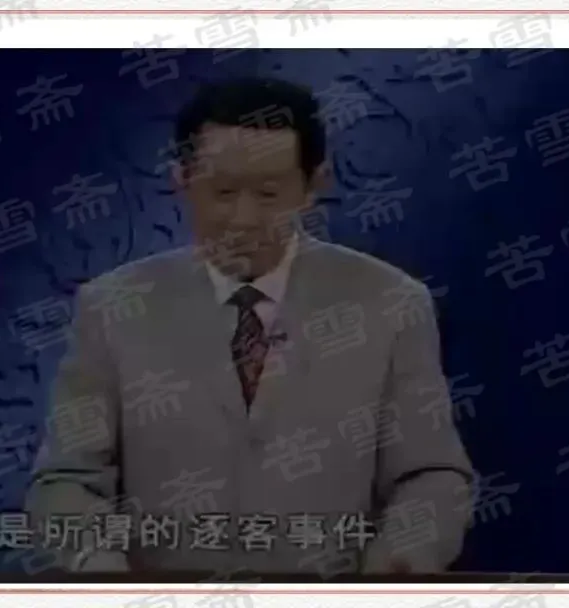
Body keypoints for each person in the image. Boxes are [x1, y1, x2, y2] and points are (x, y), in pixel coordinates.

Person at [27, 77, 474, 577]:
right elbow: (67, 480)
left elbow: (430, 476)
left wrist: (395, 568)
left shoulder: (390, 303)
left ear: (315, 184)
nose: (242, 218)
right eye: (221, 192)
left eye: (268, 194)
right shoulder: (113, 308)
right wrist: (101, 571)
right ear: (181, 180)